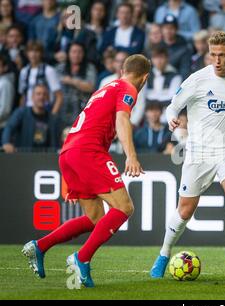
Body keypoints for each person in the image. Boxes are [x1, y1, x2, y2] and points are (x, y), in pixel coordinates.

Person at [149, 31, 225, 281]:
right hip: (199, 151)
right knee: (185, 210)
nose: (216, 60)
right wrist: (171, 116)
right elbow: (173, 105)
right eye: (212, 55)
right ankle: (163, 253)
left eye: (222, 55)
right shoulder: (197, 79)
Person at [22, 54, 151, 288]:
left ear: (122, 70)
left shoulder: (105, 87)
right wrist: (131, 156)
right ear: (145, 78)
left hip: (69, 153)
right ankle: (81, 258)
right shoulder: (128, 88)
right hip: (88, 152)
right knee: (125, 207)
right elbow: (123, 119)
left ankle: (39, 247)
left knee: (94, 218)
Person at [2, 84, 60, 152]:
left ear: (48, 98)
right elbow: (9, 127)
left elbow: (55, 145)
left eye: (44, 94)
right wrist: (6, 143)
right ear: (32, 97)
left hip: (44, 159)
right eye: (38, 94)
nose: (41, 97)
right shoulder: (21, 113)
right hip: (23, 157)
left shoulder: (52, 119)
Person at [56, 42, 97, 127]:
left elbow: (90, 87)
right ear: (68, 53)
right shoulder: (60, 67)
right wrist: (79, 83)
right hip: (62, 111)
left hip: (82, 112)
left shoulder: (89, 68)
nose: (76, 55)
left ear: (84, 54)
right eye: (74, 52)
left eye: (79, 52)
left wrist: (71, 81)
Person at [19, 41, 63, 115]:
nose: (33, 54)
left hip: (45, 111)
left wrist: (52, 116)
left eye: (36, 51)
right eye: (31, 51)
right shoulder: (24, 71)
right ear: (27, 54)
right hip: (28, 111)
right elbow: (23, 96)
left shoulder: (49, 70)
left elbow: (59, 96)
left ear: (41, 53)